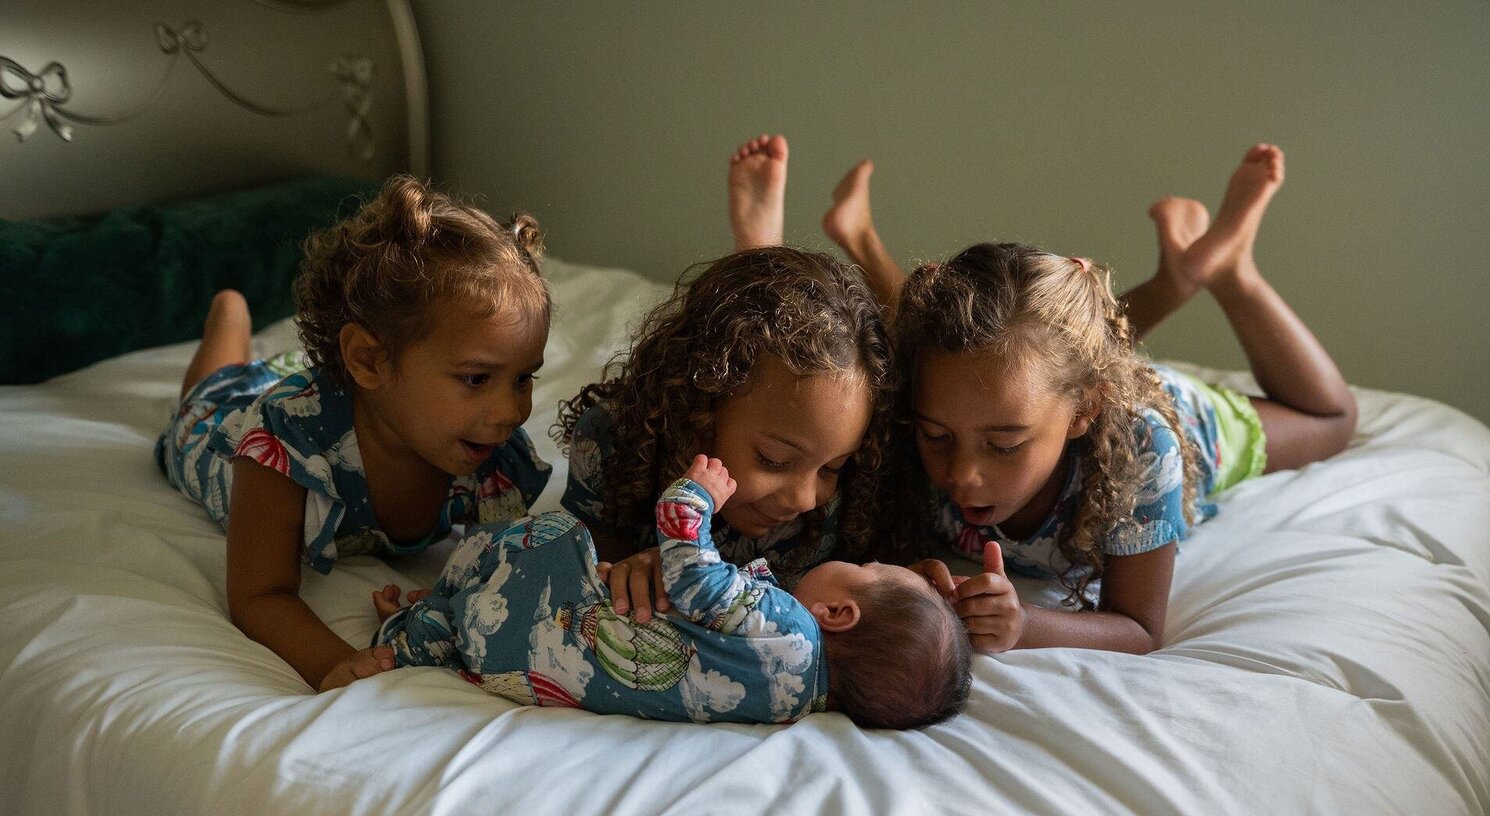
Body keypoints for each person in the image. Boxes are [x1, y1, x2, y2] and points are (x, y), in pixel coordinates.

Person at [824, 144, 1358, 653]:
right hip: (1070, 379)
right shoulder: (925, 414)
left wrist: (1025, 623)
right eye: (936, 436)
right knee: (1003, 346)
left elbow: (1140, 628)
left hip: (1187, 417)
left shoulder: (1144, 449)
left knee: (1334, 419)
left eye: (1005, 445)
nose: (963, 473)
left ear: (1084, 411)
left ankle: (1233, 271)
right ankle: (1176, 279)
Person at [156, 176, 553, 689]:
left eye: (523, 377)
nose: (511, 411)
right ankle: (229, 314)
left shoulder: (493, 453)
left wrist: (436, 608)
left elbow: (497, 573)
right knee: (210, 396)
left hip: (341, 391)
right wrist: (333, 663)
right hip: (218, 434)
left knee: (288, 380)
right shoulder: (280, 441)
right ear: (368, 360)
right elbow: (260, 595)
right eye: (476, 379)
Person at [372, 455, 972, 729]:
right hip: (527, 671)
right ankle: (414, 632)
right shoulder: (790, 707)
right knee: (471, 621)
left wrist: (695, 500)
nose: (855, 560)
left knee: (546, 536)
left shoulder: (790, 629)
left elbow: (694, 578)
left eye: (866, 567)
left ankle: (437, 600)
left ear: (839, 613)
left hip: (550, 612)